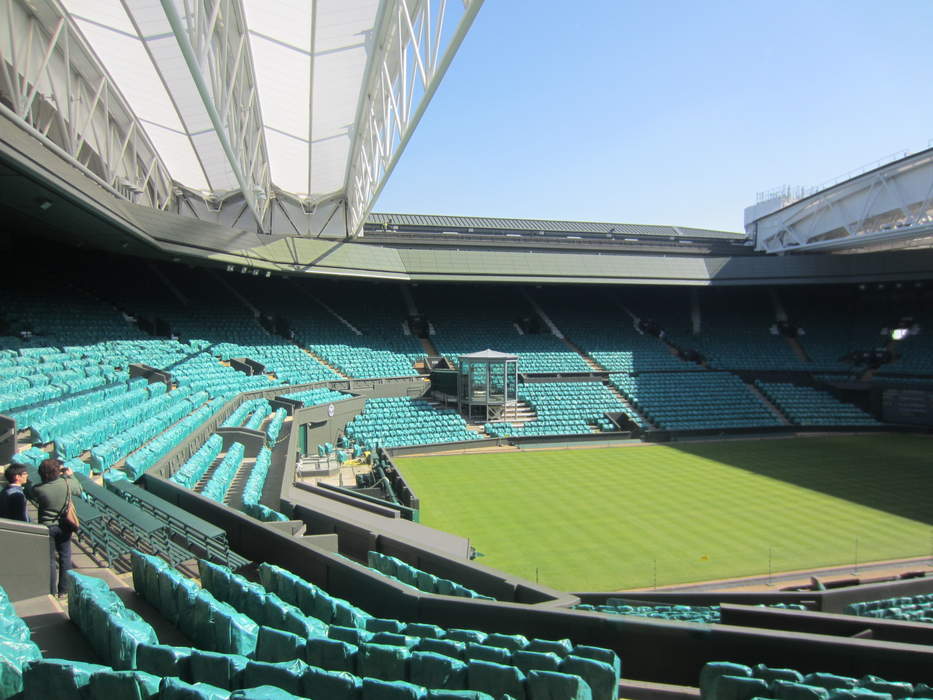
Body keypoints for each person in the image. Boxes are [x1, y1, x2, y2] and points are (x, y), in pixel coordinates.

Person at [30, 458, 83, 597]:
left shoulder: (38, 489)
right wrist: (70, 475)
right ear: (58, 471)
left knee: (50, 560)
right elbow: (79, 489)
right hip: (64, 525)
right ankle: (64, 590)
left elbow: (30, 493)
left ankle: (51, 590)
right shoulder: (66, 483)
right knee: (65, 556)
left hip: (46, 526)